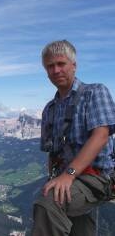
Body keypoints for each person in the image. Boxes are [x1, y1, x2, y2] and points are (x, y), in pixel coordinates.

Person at [32, 40, 115, 236]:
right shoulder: (50, 110)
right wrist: (55, 177)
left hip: (96, 177)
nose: (56, 70)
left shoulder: (94, 93)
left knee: (49, 204)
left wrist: (68, 175)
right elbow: (52, 153)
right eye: (50, 66)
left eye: (61, 64)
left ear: (74, 65)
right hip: (69, 178)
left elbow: (101, 135)